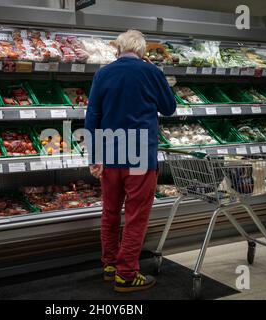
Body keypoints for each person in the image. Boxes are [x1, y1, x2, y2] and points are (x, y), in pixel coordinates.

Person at [84, 30, 177, 293]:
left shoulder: (103, 73)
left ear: (119, 49)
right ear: (142, 51)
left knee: (110, 212)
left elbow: (92, 116)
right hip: (139, 155)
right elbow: (169, 108)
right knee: (136, 216)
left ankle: (110, 265)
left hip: (110, 153)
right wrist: (156, 74)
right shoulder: (151, 72)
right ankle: (126, 274)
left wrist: (94, 157)